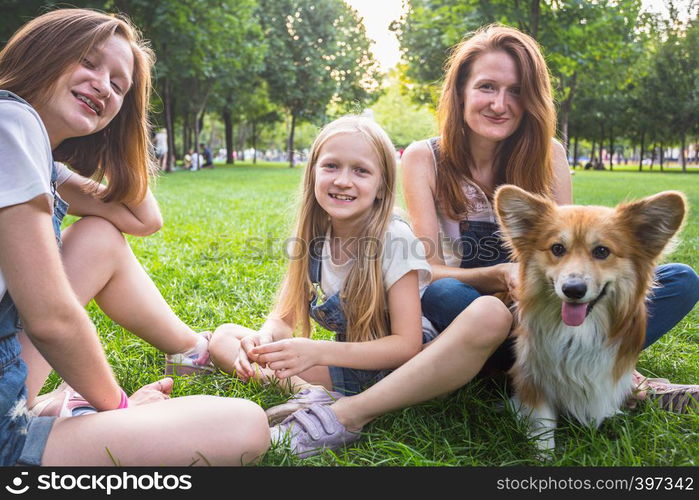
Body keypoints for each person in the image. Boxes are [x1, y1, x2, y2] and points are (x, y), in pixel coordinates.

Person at [262, 24, 699, 458]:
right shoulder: (424, 158)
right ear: (461, 92)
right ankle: (603, 383)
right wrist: (493, 274)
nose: (499, 103)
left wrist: (547, 278)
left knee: (679, 280)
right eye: (487, 87)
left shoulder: (549, 155)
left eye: (515, 91)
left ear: (532, 98)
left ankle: (606, 377)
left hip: (546, 310)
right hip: (469, 312)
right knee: (448, 293)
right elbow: (426, 269)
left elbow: (575, 253)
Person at [0, 8, 269, 466]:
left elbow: (142, 220)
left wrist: (122, 138)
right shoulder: (13, 125)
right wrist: (121, 411)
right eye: (87, 62)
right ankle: (76, 410)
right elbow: (52, 320)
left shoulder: (35, 152)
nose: (103, 84)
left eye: (119, 86)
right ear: (43, 51)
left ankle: (192, 351)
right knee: (246, 425)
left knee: (100, 236)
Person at [207, 116, 460, 449]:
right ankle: (309, 394)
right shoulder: (314, 238)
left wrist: (317, 351)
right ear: (313, 172)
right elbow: (284, 318)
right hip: (347, 359)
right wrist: (263, 339)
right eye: (331, 166)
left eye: (361, 171)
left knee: (237, 347)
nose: (343, 180)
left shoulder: (394, 239)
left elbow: (406, 344)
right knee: (225, 338)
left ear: (383, 185)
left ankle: (319, 396)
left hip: (396, 367)